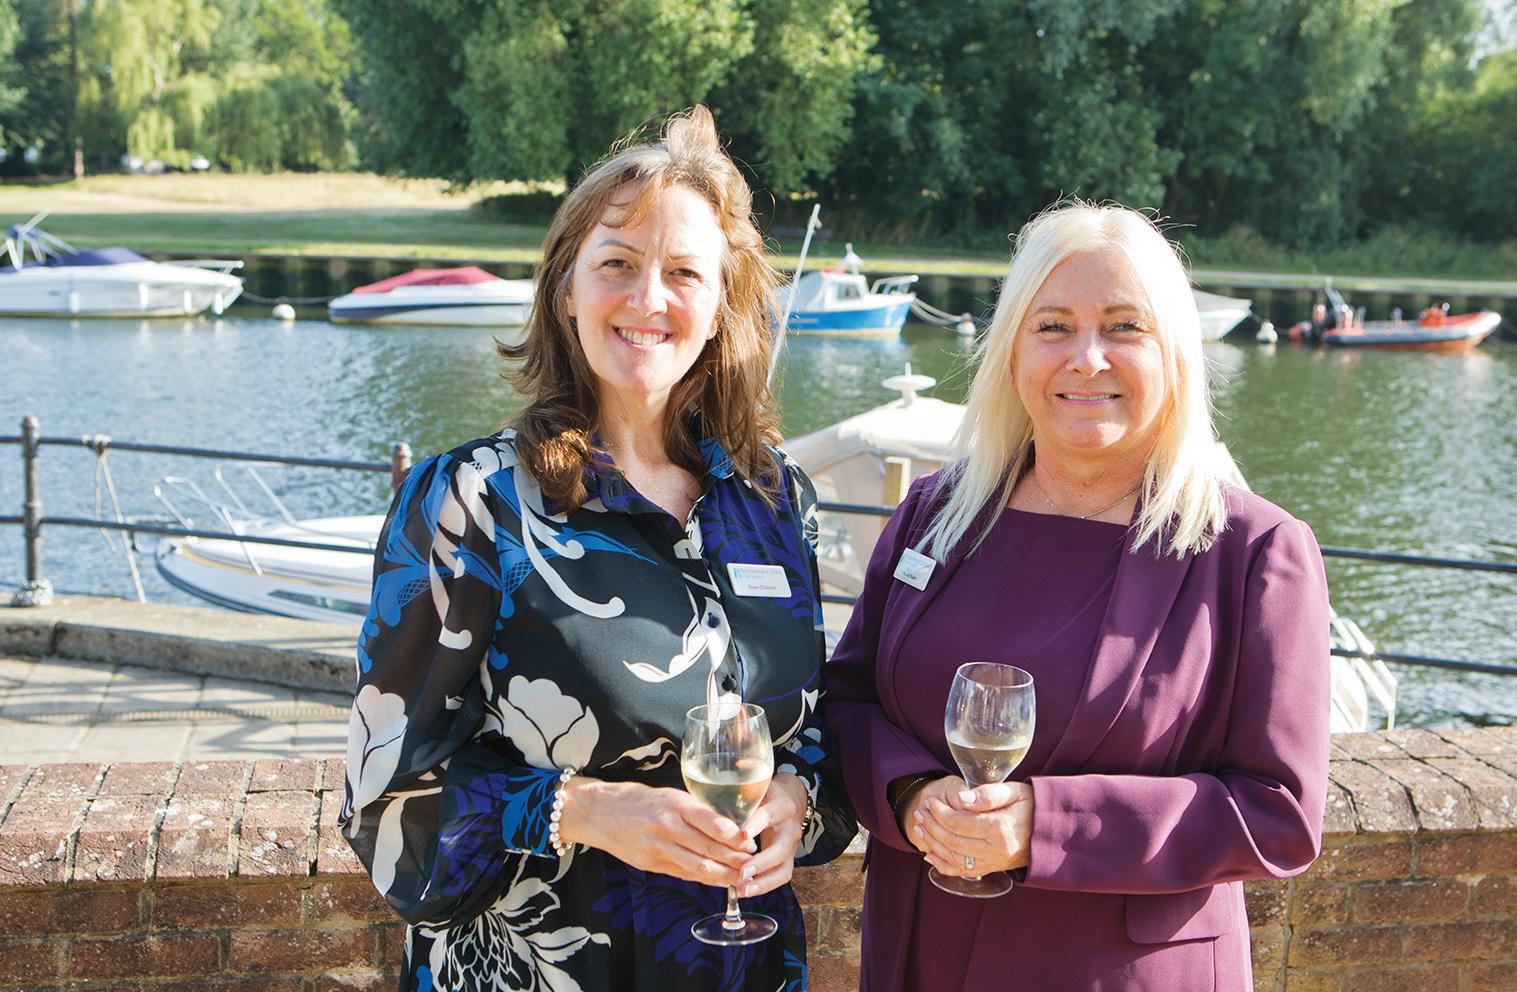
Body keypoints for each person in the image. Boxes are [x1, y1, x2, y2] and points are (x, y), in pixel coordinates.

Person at [341, 106, 855, 992]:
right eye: (616, 263)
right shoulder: (472, 501)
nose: (648, 298)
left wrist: (797, 799)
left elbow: (815, 734)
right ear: (565, 290)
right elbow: (385, 800)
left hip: (744, 968)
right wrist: (579, 810)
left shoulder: (776, 502)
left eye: (683, 272)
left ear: (720, 306)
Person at [824, 201, 1330, 991]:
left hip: (1120, 973)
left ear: (1174, 353)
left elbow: (1279, 813)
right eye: (1052, 326)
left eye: (1124, 327)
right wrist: (909, 792)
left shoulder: (1253, 551)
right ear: (1011, 351)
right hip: (922, 949)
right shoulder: (932, 513)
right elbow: (847, 702)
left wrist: (1047, 825)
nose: (1085, 358)